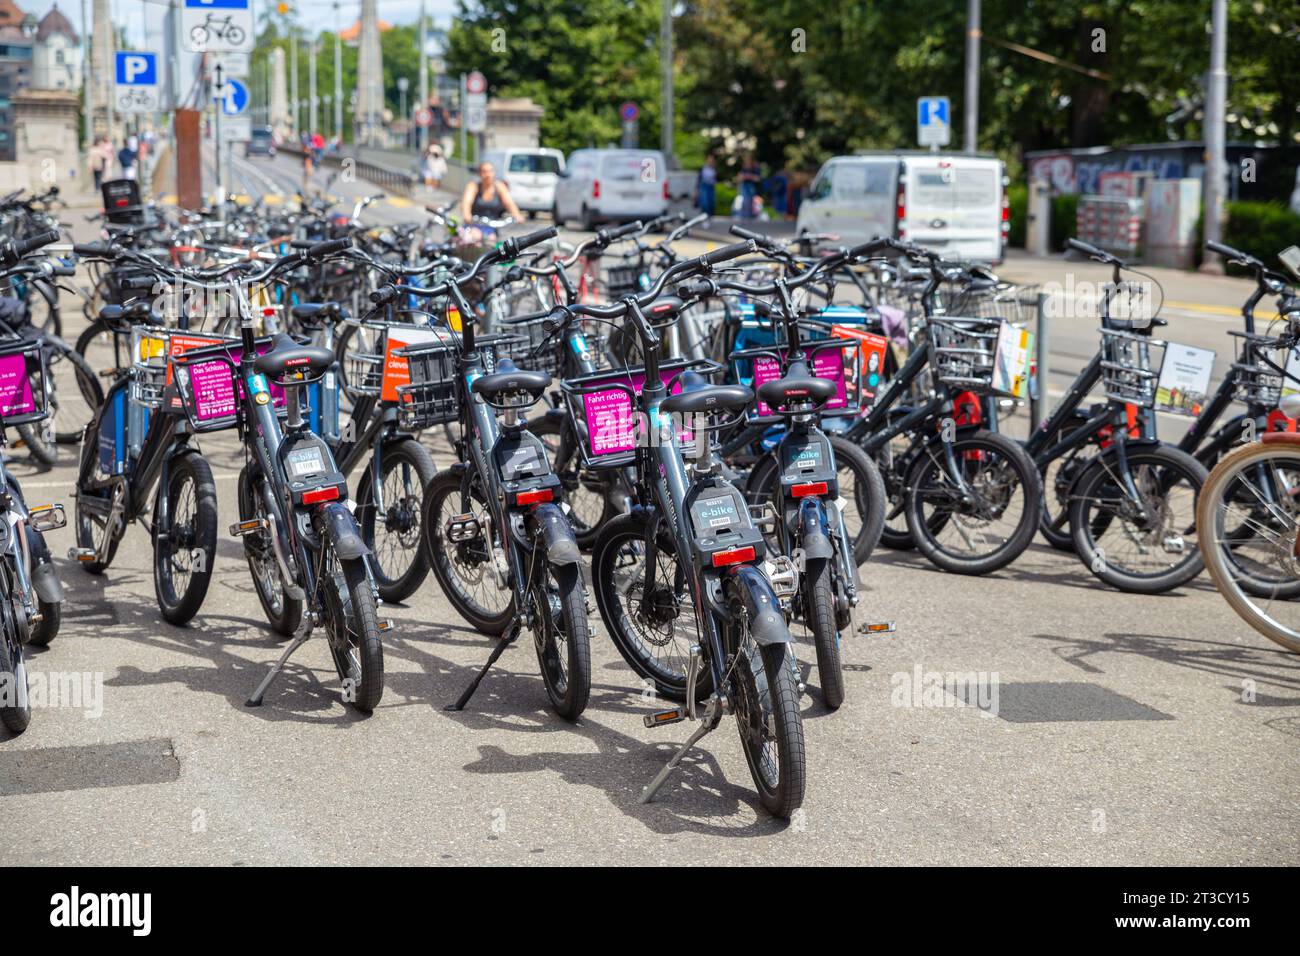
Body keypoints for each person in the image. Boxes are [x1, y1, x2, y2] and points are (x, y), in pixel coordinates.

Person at [459, 161, 522, 237]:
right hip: (474, 225)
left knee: (493, 240)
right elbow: (467, 202)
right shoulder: (474, 186)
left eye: (490, 171)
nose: (488, 175)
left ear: (494, 173)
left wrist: (516, 214)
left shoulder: (499, 187)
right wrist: (467, 215)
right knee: (475, 236)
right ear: (480, 174)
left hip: (492, 226)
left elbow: (509, 203)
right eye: (484, 172)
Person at [737, 153, 762, 219]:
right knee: (745, 201)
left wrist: (750, 177)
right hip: (745, 186)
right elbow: (739, 177)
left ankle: (750, 216)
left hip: (751, 187)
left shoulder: (755, 168)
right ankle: (745, 216)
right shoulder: (744, 167)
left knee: (750, 202)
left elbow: (758, 178)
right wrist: (743, 177)